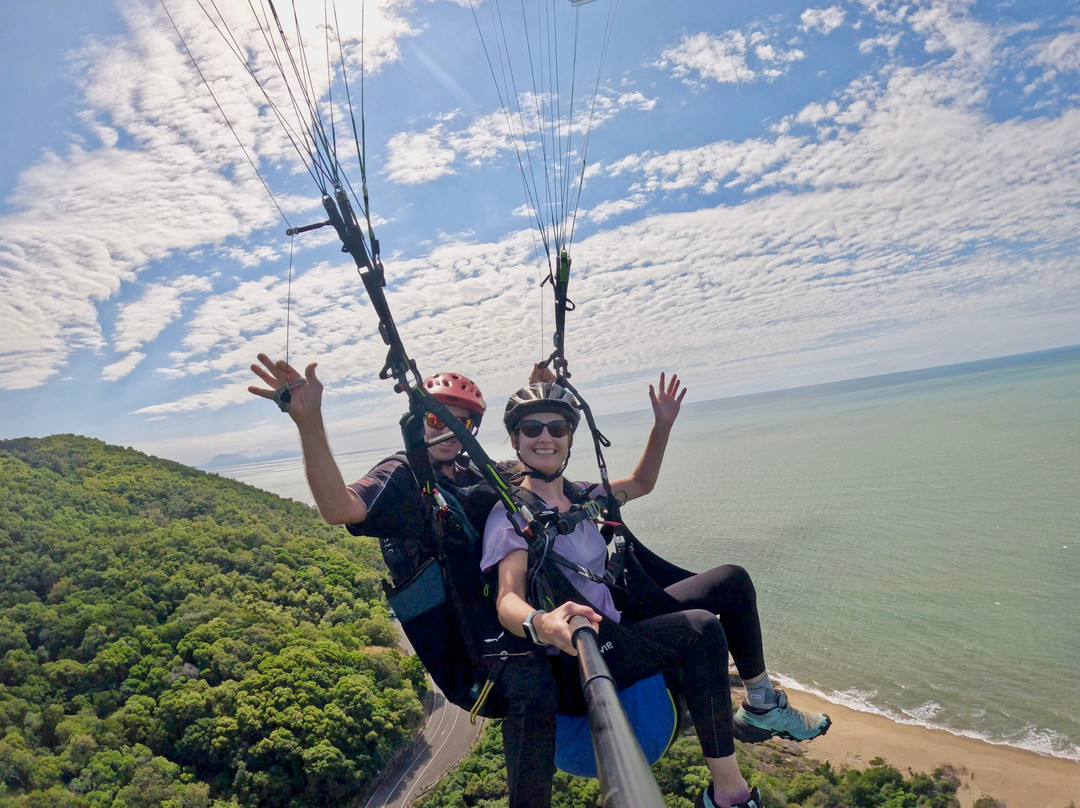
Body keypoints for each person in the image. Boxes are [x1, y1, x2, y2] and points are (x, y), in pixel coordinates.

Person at [481, 380, 831, 808]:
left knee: (732, 581)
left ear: (571, 437)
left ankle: (762, 705)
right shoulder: (511, 516)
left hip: (620, 624)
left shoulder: (583, 495)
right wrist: (543, 622)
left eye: (557, 428)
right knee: (700, 630)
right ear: (515, 439)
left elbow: (643, 482)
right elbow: (506, 598)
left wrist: (662, 424)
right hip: (586, 648)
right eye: (531, 429)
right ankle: (729, 795)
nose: (545, 438)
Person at [247, 354, 487, 544]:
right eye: (437, 420)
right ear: (420, 422)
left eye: (460, 425)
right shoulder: (401, 474)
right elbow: (339, 508)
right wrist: (309, 421)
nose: (447, 432)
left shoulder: (478, 471)